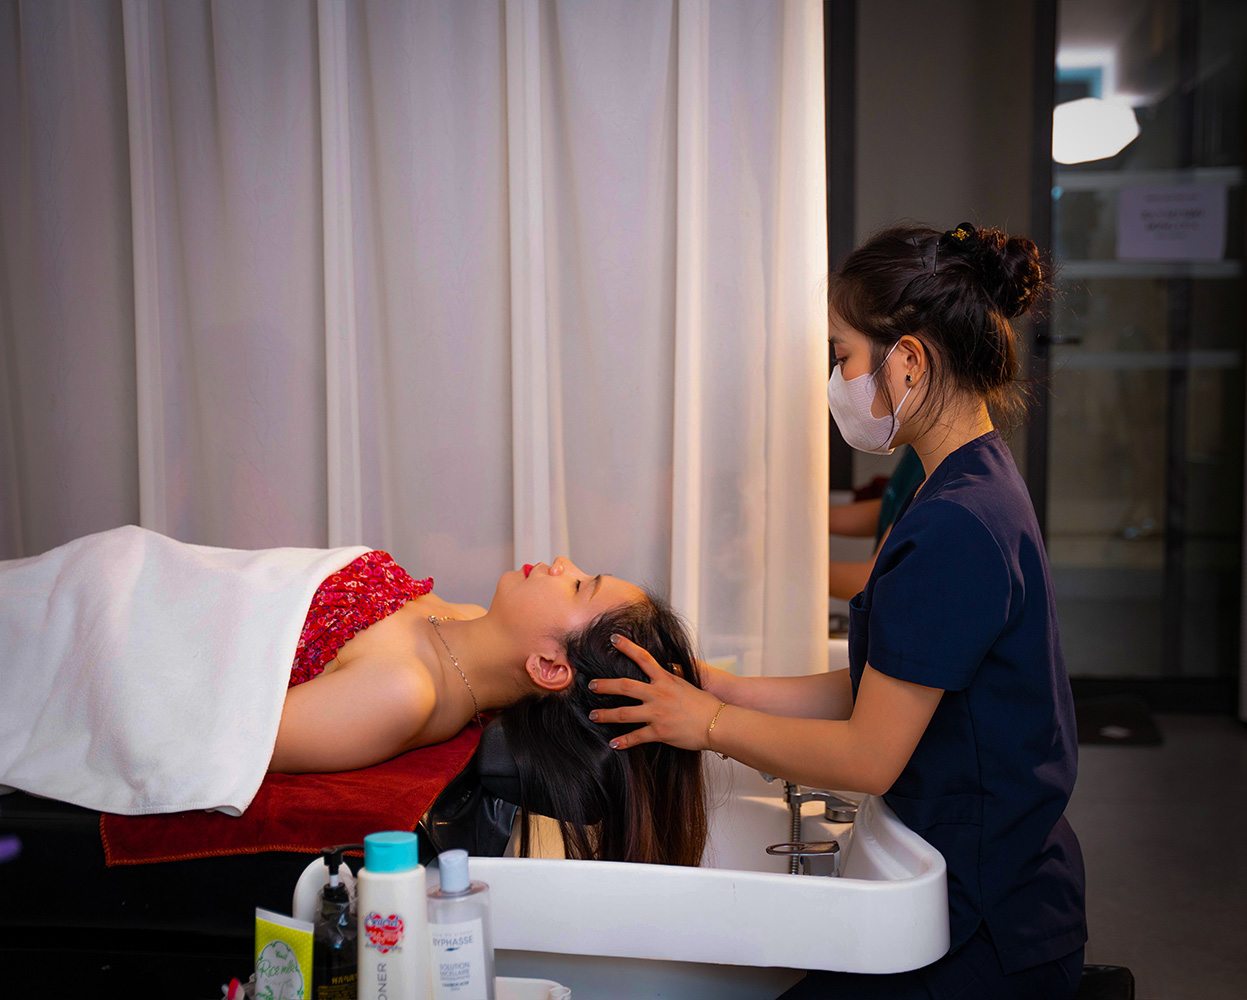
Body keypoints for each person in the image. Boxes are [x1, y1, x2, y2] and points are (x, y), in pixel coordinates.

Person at [590, 223, 1086, 998]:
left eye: (842, 354)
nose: (837, 378)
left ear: (909, 360)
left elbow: (867, 755)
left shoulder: (956, 522)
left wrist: (708, 725)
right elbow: (887, 684)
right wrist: (722, 687)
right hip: (981, 878)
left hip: (991, 924)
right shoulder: (965, 482)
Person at [0, 534, 707, 867]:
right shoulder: (463, 625)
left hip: (98, 629)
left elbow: (212, 730)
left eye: (578, 585)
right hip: (121, 574)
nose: (561, 563)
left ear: (549, 666)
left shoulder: (403, 694)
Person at [828, 445, 925, 600]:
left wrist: (792, 567)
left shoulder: (937, 465)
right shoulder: (918, 451)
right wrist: (806, 519)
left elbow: (879, 581)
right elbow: (892, 507)